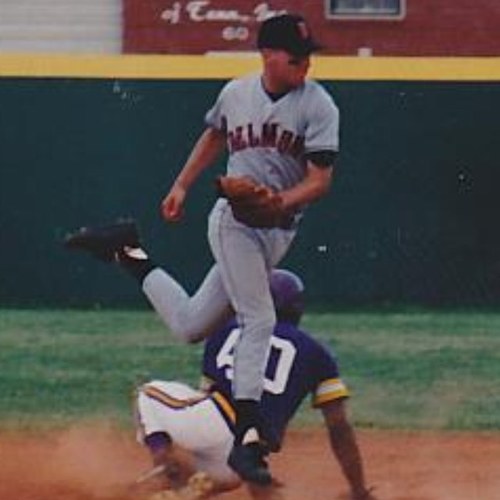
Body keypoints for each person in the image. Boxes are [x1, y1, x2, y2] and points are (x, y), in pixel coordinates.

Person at [157, 12, 340, 485]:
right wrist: (181, 185)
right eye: (295, 56)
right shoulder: (236, 93)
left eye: (308, 57)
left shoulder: (319, 106)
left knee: (191, 324)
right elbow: (214, 135)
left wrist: (281, 200)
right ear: (268, 55)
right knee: (259, 317)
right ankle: (247, 438)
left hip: (277, 229)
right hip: (232, 222)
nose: (305, 64)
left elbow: (320, 181)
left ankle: (128, 252)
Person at [134, 268, 375, 500]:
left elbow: (207, 394)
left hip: (217, 421)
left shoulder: (227, 330)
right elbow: (339, 428)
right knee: (221, 473)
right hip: (243, 461)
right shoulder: (317, 353)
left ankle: (162, 462)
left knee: (147, 393)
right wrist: (358, 489)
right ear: (298, 308)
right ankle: (200, 482)